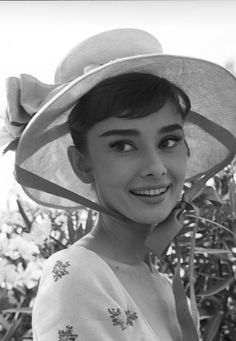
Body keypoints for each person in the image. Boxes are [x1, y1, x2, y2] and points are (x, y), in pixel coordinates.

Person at [1, 29, 236, 341]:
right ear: (82, 164)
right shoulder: (77, 275)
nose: (155, 168)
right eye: (122, 146)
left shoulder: (165, 285)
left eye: (168, 141)